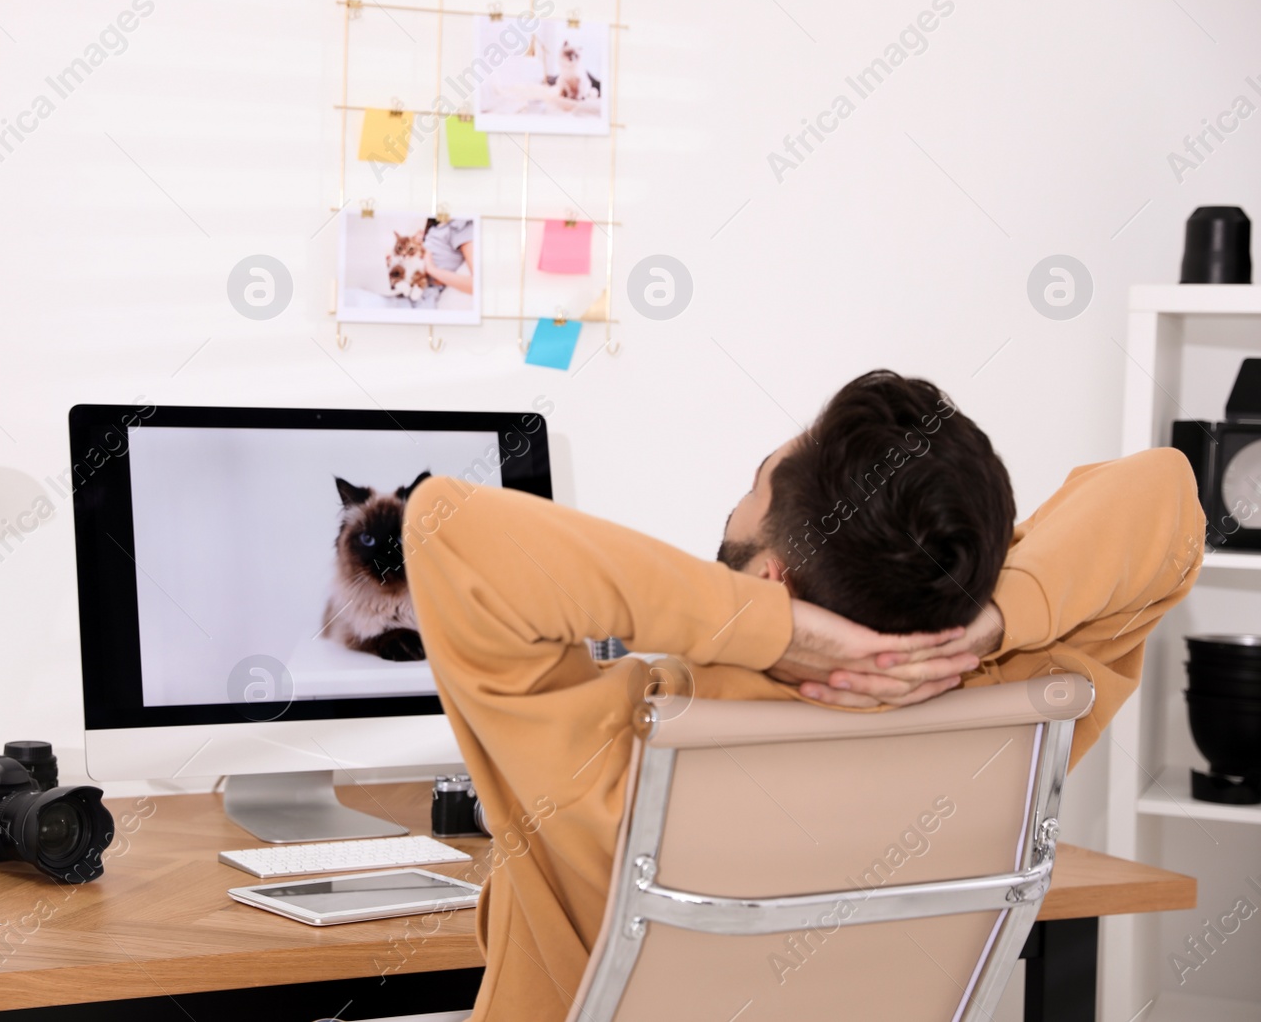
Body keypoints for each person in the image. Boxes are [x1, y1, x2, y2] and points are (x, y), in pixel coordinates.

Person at [402, 369, 1202, 1022]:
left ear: (770, 579)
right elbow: (1163, 493)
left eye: (757, 482)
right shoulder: (1016, 709)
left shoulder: (630, 753)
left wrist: (774, 633)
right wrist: (994, 622)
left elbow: (445, 524)